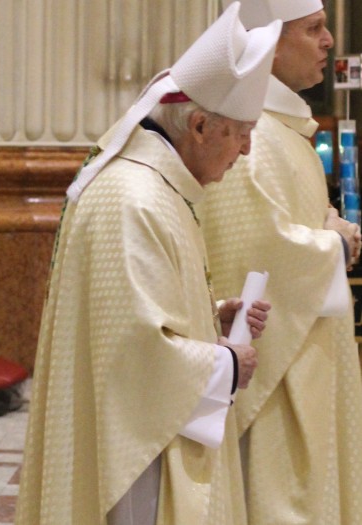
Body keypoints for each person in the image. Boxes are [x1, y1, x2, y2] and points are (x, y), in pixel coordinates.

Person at [14, 4, 278, 524]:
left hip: (148, 435)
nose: (247, 150)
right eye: (241, 132)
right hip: (138, 460)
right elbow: (135, 354)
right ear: (200, 125)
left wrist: (212, 320)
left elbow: (137, 319)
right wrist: (226, 364)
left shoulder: (155, 187)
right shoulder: (133, 198)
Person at [199, 1, 362, 523]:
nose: (329, 41)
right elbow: (258, 250)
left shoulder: (285, 128)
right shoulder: (250, 135)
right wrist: (335, 243)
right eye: (314, 29)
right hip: (275, 373)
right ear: (268, 42)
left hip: (310, 349)